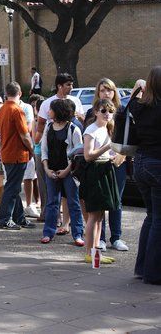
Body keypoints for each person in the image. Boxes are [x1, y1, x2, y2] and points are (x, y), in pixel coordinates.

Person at [83, 78, 128, 252]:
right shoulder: (92, 113)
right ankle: (97, 241)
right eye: (102, 90)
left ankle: (116, 237)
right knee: (99, 206)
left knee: (116, 201)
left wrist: (120, 156)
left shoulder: (122, 111)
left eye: (109, 90)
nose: (106, 93)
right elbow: (89, 145)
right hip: (98, 165)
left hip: (117, 162)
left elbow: (126, 138)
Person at [129, 66, 161, 283]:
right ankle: (153, 272)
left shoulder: (138, 106)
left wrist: (139, 86)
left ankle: (142, 267)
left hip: (140, 163)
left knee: (151, 216)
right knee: (158, 219)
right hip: (158, 163)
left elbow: (129, 100)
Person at [40, 99, 84, 246]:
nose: (48, 112)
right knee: (52, 203)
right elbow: (44, 150)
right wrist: (46, 168)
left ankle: (77, 234)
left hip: (69, 172)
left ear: (58, 111)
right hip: (51, 170)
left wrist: (66, 171)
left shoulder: (73, 129)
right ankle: (48, 232)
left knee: (73, 202)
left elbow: (78, 154)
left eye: (51, 109)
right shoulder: (48, 127)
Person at [80, 98, 120, 265]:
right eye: (103, 111)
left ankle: (96, 253)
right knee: (93, 215)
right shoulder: (91, 130)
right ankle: (89, 252)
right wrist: (107, 147)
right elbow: (88, 155)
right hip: (95, 172)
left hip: (105, 169)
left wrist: (112, 156)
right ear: (96, 111)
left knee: (100, 216)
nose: (107, 114)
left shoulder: (106, 129)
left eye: (110, 111)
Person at [0, 82, 36, 230]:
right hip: (17, 154)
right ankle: (5, 219)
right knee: (12, 188)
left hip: (7, 152)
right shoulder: (16, 110)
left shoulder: (2, 109)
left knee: (13, 187)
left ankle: (19, 218)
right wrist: (31, 149)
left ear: (6, 94)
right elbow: (25, 135)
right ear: (19, 93)